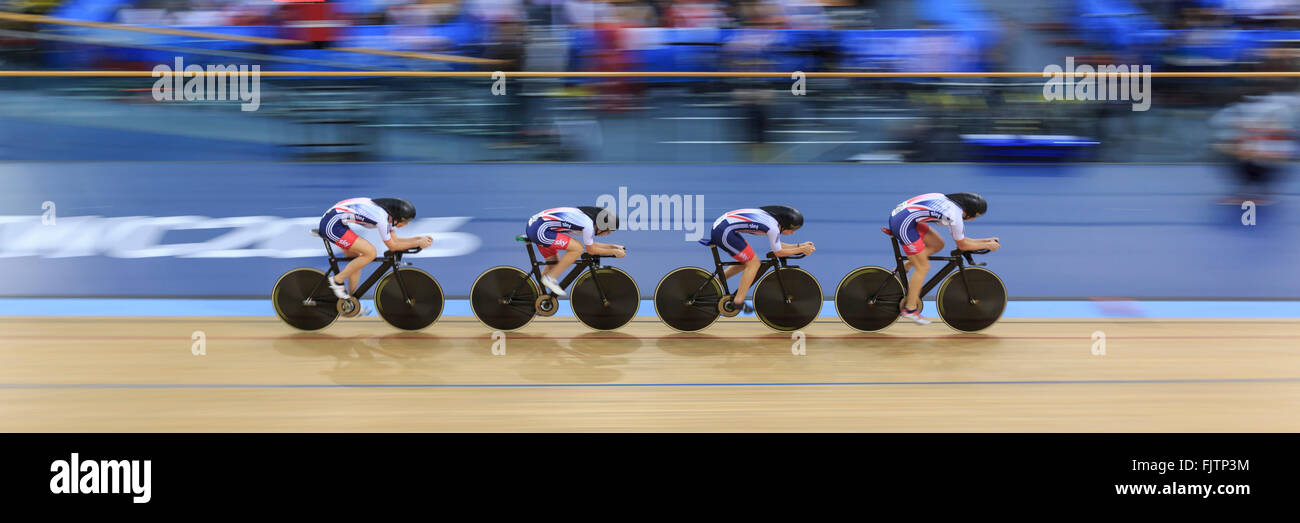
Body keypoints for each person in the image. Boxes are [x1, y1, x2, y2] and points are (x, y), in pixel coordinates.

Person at [888, 193, 1000, 325]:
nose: (973, 220)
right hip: (903, 223)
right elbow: (962, 245)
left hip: (905, 218)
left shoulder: (951, 205)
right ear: (969, 212)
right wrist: (987, 245)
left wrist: (986, 240)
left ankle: (905, 267)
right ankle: (910, 309)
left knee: (938, 244)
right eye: (975, 216)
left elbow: (962, 240)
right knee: (923, 267)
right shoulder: (954, 215)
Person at [319, 198, 433, 311]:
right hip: (331, 225)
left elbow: (396, 241)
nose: (406, 225)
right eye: (405, 222)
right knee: (370, 253)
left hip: (337, 222)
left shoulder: (388, 216)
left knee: (356, 260)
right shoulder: (381, 218)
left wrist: (419, 239)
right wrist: (418, 242)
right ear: (396, 217)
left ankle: (350, 302)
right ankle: (337, 280)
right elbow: (392, 246)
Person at [701, 205, 814, 313]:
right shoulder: (772, 227)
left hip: (724, 227)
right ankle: (738, 302)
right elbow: (778, 252)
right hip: (723, 231)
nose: (792, 232)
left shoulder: (773, 223)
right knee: (754, 264)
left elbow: (777, 245)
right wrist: (801, 250)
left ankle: (715, 283)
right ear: (784, 224)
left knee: (746, 261)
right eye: (791, 229)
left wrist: (800, 246)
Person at [526, 206, 625, 296]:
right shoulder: (588, 225)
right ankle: (550, 278)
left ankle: (534, 295)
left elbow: (591, 245)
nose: (607, 234)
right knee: (578, 248)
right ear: (602, 226)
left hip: (538, 227)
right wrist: (613, 252)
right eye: (608, 231)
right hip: (540, 230)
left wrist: (613, 247)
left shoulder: (588, 220)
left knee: (553, 263)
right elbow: (591, 250)